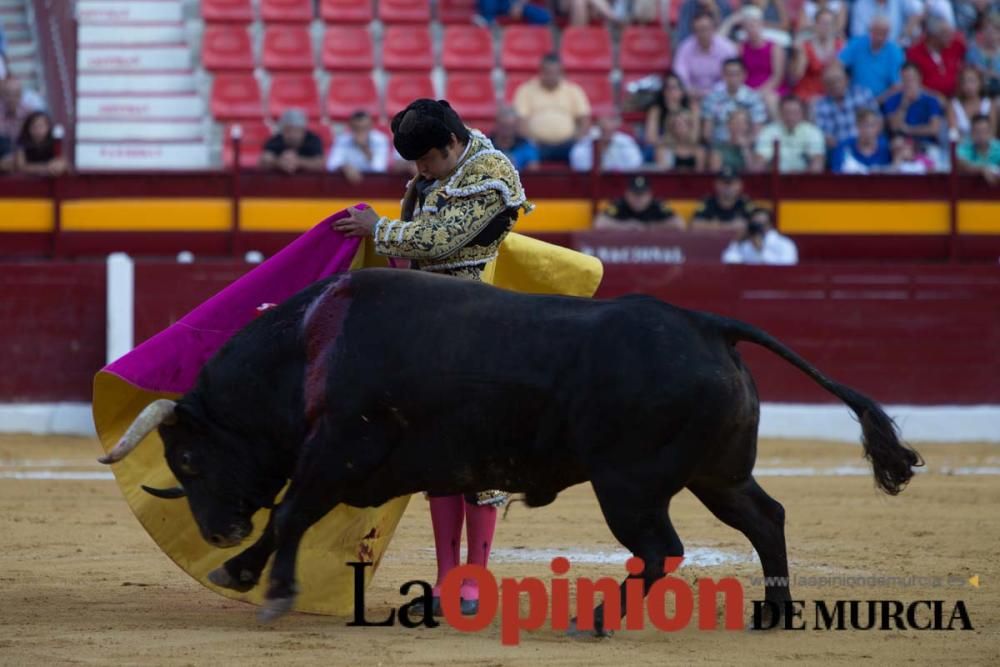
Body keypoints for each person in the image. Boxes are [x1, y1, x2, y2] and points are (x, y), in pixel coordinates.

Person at [333, 99, 532, 616]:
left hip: (475, 331)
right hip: (425, 330)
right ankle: (448, 580)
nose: (420, 171)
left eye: (426, 160)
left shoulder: (491, 176)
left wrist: (377, 230)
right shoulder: (441, 166)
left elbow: (439, 239)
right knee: (437, 458)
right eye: (414, 163)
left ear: (450, 145)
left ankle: (475, 580)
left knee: (480, 460)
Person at [512, 53, 591, 162]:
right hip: (537, 146)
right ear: (541, 72)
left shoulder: (574, 90)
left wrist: (576, 139)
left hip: (569, 145)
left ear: (561, 73)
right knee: (523, 155)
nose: (551, 76)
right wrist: (533, 140)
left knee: (583, 156)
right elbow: (521, 124)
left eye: (555, 72)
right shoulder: (526, 90)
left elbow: (584, 121)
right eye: (548, 72)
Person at [701, 58, 769, 144]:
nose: (733, 78)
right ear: (723, 75)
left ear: (744, 75)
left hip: (747, 146)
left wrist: (744, 143)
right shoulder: (712, 98)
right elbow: (707, 133)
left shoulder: (754, 98)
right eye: (729, 74)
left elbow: (757, 131)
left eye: (736, 74)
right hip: (719, 146)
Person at [673, 12, 738, 99]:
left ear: (713, 28)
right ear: (693, 32)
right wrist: (689, 90)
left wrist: (712, 93)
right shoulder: (685, 48)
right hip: (691, 96)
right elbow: (680, 75)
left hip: (722, 96)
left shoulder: (727, 48)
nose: (703, 34)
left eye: (706, 29)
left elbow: (733, 74)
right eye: (698, 30)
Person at [813, 62, 879, 148]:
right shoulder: (821, 106)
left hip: (868, 143)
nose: (835, 85)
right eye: (830, 82)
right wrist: (843, 147)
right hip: (839, 148)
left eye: (838, 80)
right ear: (825, 86)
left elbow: (878, 122)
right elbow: (824, 135)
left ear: (847, 79)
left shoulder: (863, 94)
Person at [839, 16, 907, 99]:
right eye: (876, 32)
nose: (879, 37)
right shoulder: (857, 43)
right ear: (870, 31)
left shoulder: (895, 52)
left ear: (889, 33)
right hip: (854, 97)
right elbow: (838, 63)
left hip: (882, 102)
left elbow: (897, 86)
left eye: (883, 33)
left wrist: (877, 102)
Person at [755, 95, 825, 173]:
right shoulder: (768, 131)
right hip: (775, 180)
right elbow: (760, 162)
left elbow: (817, 163)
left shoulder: (813, 132)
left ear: (803, 113)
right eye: (787, 112)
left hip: (805, 180)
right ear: (780, 112)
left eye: (795, 112)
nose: (791, 117)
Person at [882, 62, 945, 149]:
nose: (909, 83)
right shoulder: (892, 100)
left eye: (912, 78)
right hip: (902, 145)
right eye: (905, 79)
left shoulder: (931, 100)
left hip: (927, 145)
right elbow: (894, 127)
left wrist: (908, 129)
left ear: (920, 78)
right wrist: (904, 104)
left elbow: (934, 129)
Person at [737, 7, 788, 112]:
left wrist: (761, 91)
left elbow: (777, 76)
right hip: (748, 88)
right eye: (748, 26)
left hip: (771, 88)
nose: (751, 29)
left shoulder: (774, 48)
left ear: (761, 25)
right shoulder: (741, 48)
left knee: (770, 99)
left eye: (754, 25)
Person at [593, 174, 685, 229]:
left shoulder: (658, 205)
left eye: (642, 194)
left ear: (650, 194)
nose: (638, 198)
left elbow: (679, 224)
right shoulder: (619, 204)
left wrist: (650, 226)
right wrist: (625, 226)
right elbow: (599, 223)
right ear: (627, 193)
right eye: (635, 194)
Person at [791, 9, 845, 102]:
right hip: (808, 91)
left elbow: (841, 75)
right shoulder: (805, 46)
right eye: (822, 23)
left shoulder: (840, 45)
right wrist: (799, 54)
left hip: (831, 91)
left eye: (830, 23)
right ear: (815, 24)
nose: (826, 27)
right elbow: (797, 75)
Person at [906, 15, 967, 97]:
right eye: (945, 34)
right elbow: (912, 82)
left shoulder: (956, 46)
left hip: (956, 98)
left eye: (951, 33)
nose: (951, 37)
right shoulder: (914, 53)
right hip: (927, 100)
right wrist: (935, 96)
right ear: (932, 36)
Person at [325, 110, 390, 184]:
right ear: (350, 127)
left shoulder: (380, 140)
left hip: (373, 185)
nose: (360, 132)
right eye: (357, 128)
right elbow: (331, 166)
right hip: (346, 184)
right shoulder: (342, 140)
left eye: (364, 128)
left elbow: (380, 169)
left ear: (371, 126)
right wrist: (345, 167)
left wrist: (364, 148)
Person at [569, 113, 644, 172]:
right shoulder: (583, 145)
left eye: (612, 120)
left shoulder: (626, 142)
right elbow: (581, 172)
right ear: (597, 124)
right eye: (603, 126)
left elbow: (635, 166)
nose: (608, 126)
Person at [722, 207, 798, 264]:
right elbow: (728, 259)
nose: (759, 228)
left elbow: (788, 266)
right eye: (756, 224)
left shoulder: (784, 243)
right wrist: (737, 241)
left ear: (770, 225)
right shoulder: (744, 242)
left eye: (762, 224)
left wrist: (761, 251)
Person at [259, 109, 325, 174]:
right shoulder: (274, 141)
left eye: (296, 130)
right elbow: (264, 160)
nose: (292, 135)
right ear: (282, 131)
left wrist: (298, 161)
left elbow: (321, 163)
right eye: (288, 130)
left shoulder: (313, 140)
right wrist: (278, 162)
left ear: (304, 130)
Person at [644, 71, 699, 146]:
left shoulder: (692, 108)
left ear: (682, 92)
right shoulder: (656, 110)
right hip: (662, 149)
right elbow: (650, 139)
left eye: (674, 88)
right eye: (667, 88)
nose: (670, 92)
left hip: (686, 149)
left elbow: (694, 138)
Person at [690, 166, 755, 229]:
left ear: (739, 185)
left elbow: (760, 219)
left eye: (731, 183)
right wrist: (730, 226)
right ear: (716, 184)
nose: (728, 187)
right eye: (724, 183)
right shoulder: (708, 202)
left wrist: (714, 225)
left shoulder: (744, 202)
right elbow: (695, 224)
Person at [830, 108, 893, 172]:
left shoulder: (887, 148)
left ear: (877, 127)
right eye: (864, 125)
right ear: (857, 126)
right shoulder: (843, 147)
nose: (868, 130)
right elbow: (836, 174)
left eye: (872, 125)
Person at [948, 65, 995, 140]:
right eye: (964, 82)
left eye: (972, 81)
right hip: (961, 148)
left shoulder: (989, 104)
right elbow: (954, 134)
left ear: (980, 83)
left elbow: (992, 134)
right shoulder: (954, 105)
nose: (968, 86)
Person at [14, 111, 67, 176]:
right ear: (28, 128)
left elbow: (63, 162)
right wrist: (45, 168)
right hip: (26, 181)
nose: (38, 130)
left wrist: (59, 166)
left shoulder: (55, 143)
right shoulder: (22, 143)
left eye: (41, 126)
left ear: (48, 127)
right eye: (35, 127)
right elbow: (21, 167)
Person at [490, 106, 540, 171]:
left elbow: (533, 171)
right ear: (497, 125)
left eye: (510, 127)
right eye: (504, 126)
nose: (506, 131)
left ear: (516, 126)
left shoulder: (526, 146)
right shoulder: (487, 145)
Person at [849, 0, 923, 44]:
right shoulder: (860, 5)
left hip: (898, 47)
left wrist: (905, 34)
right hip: (871, 49)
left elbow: (919, 11)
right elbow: (858, 36)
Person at [709, 107, 760, 171]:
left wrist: (745, 149)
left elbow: (754, 173)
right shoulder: (719, 148)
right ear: (728, 125)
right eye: (736, 122)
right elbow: (715, 173)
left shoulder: (755, 148)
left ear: (747, 126)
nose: (739, 126)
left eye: (743, 123)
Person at [956, 113, 1000, 183]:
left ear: (991, 132)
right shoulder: (964, 147)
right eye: (977, 131)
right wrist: (982, 169)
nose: (981, 135)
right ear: (971, 132)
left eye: (985, 131)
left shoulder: (998, 147)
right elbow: (960, 164)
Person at [965, 11, 1000, 95]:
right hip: (976, 95)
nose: (991, 34)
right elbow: (967, 76)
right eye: (987, 30)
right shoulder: (972, 53)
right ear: (982, 32)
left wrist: (987, 73)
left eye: (995, 31)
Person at [475, 0, 552, 25]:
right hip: (498, 4)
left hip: (514, 4)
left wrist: (519, 5)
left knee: (544, 16)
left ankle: (528, 32)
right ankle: (487, 21)